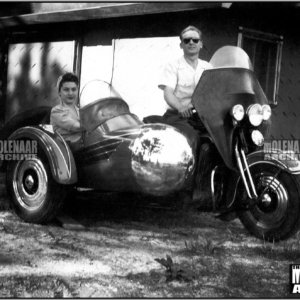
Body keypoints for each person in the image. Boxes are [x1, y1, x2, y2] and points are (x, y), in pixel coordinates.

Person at [158, 25, 212, 205]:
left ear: (201, 44)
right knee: (191, 139)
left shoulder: (208, 67)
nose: (191, 43)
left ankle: (212, 187)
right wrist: (181, 107)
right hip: (178, 115)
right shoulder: (173, 66)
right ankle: (188, 190)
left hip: (202, 117)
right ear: (181, 44)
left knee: (222, 138)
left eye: (194, 40)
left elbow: (217, 90)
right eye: (186, 40)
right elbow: (168, 93)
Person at [50, 72, 84, 151]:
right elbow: (76, 127)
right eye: (66, 90)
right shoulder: (56, 111)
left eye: (74, 89)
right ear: (59, 92)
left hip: (82, 147)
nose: (70, 93)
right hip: (67, 151)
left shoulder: (81, 111)